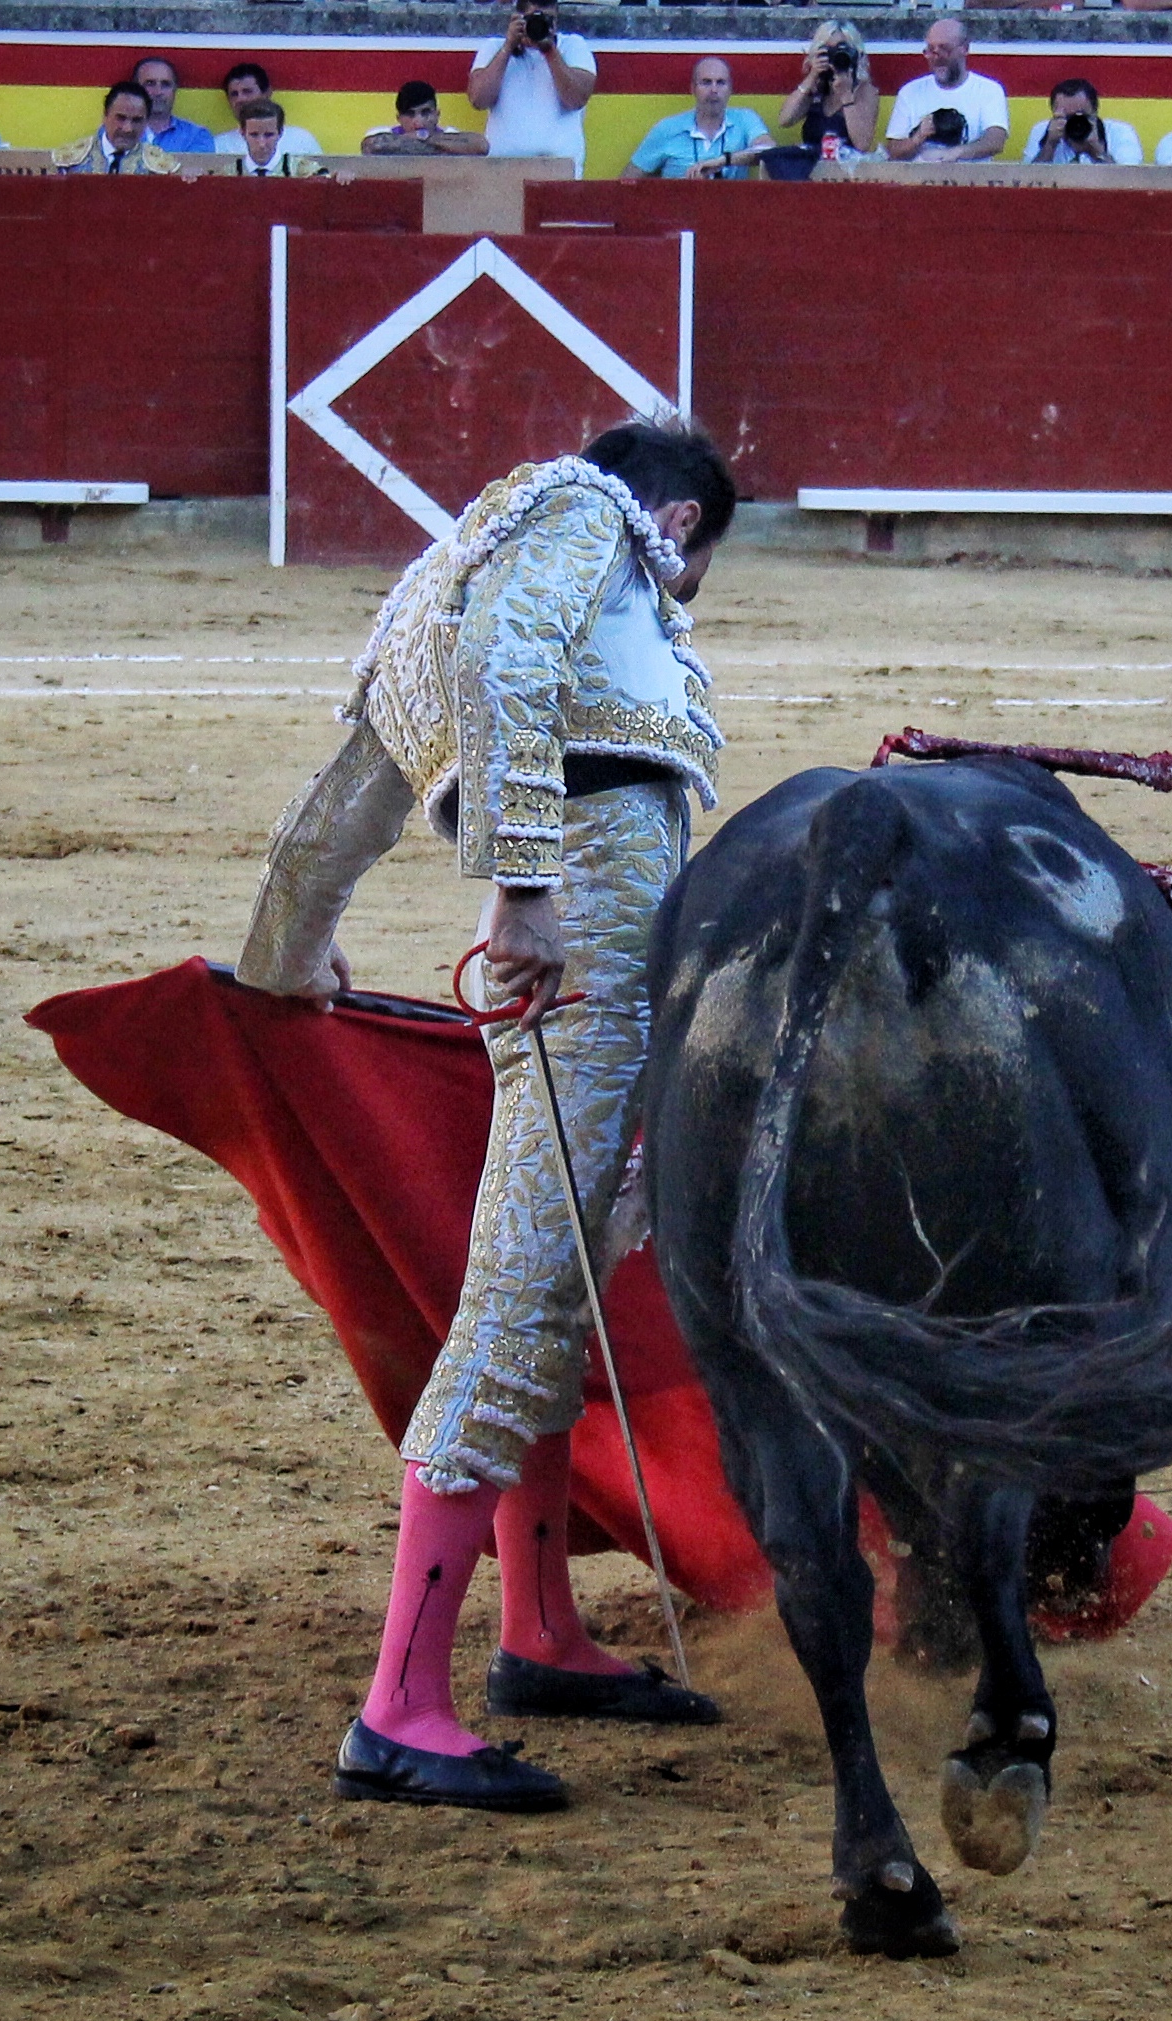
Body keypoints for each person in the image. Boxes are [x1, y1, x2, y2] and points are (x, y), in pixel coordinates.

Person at [235, 423, 736, 1810]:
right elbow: (511, 661)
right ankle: (397, 1707)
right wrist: (522, 886)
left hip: (570, 950)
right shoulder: (586, 517)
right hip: (584, 948)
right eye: (690, 571)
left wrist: (286, 949)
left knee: (552, 1284)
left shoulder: (447, 575)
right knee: (520, 1298)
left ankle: (539, 1631)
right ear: (679, 525)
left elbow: (355, 786)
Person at [470, 4, 596, 180]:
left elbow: (575, 100)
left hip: (560, 172)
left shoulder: (573, 46)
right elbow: (478, 99)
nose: (540, 24)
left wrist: (549, 51)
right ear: (517, 18)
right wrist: (508, 47)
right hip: (502, 172)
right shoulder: (494, 47)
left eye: (547, 19)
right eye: (533, 18)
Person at [623, 56, 773, 180]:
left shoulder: (745, 119)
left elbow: (769, 151)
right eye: (706, 82)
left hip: (730, 206)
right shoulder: (667, 129)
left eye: (721, 83)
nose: (714, 90)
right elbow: (627, 181)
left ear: (730, 89)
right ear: (693, 89)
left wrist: (722, 161)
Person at [885, 19, 1008, 165]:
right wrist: (918, 137)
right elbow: (893, 151)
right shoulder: (910, 92)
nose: (937, 57)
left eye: (945, 49)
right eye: (931, 50)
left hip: (971, 178)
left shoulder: (989, 90)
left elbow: (996, 141)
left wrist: (955, 153)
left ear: (965, 48)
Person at [774, 22, 880, 164]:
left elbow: (862, 144)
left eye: (842, 49)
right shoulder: (817, 87)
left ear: (856, 53)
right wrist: (812, 76)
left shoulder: (865, 91)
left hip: (846, 170)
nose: (835, 55)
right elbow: (785, 120)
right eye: (828, 50)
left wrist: (846, 96)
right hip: (811, 168)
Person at [52, 82, 181, 174]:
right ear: (105, 116)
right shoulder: (68, 162)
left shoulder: (162, 169)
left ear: (146, 122)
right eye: (121, 118)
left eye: (136, 120)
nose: (127, 129)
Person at [214, 62, 323, 160]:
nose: (240, 99)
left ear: (267, 93)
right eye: (234, 94)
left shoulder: (301, 140)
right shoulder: (220, 145)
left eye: (247, 91)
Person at [1025, 77, 1144, 166]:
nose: (1075, 123)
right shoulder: (1042, 131)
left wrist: (1097, 152)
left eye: (1080, 117)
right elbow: (1027, 182)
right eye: (1066, 117)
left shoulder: (1120, 132)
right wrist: (1049, 146)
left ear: (1095, 111)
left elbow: (1130, 182)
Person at [362, 80, 489, 157]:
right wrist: (442, 146)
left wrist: (422, 137)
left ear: (437, 114)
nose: (419, 121)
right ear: (399, 118)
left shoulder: (451, 133)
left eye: (426, 112)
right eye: (410, 114)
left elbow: (481, 146)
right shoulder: (381, 132)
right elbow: (370, 146)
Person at [131, 55, 215, 155]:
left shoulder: (196, 136)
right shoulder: (119, 132)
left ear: (175, 89)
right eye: (150, 83)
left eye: (165, 84)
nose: (158, 92)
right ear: (135, 88)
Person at [234, 98, 326, 177]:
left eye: (269, 135)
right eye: (254, 135)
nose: (262, 144)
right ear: (242, 133)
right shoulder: (228, 173)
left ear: (280, 132)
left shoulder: (306, 171)